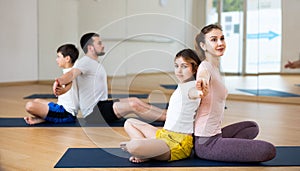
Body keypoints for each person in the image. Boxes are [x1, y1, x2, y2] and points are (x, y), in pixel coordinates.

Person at [193, 24, 276, 162]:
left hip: (216, 133)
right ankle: (215, 149)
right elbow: (202, 77)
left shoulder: (215, 67)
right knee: (268, 150)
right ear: (203, 46)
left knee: (251, 127)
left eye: (222, 38)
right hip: (205, 142)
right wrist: (201, 85)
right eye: (213, 40)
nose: (220, 43)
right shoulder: (205, 66)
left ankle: (225, 147)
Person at [53, 33, 166, 124]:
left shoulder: (94, 63)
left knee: (134, 100)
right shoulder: (85, 62)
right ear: (90, 47)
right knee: (133, 105)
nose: (103, 45)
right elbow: (71, 74)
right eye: (99, 43)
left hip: (102, 105)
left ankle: (167, 114)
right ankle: (167, 119)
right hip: (94, 114)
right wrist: (59, 81)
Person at [120, 49, 202, 163]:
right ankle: (145, 151)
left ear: (194, 69)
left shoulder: (193, 87)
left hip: (177, 143)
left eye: (184, 66)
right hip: (165, 134)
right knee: (129, 122)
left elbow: (196, 93)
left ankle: (142, 150)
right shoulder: (183, 85)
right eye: (176, 66)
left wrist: (202, 92)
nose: (179, 70)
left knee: (134, 146)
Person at [24, 44, 79, 125]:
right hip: (60, 108)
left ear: (67, 58)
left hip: (66, 114)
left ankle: (46, 118)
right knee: (37, 101)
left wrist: (58, 83)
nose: (57, 60)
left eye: (58, 57)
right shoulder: (69, 71)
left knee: (29, 106)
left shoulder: (71, 73)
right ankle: (44, 119)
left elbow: (69, 82)